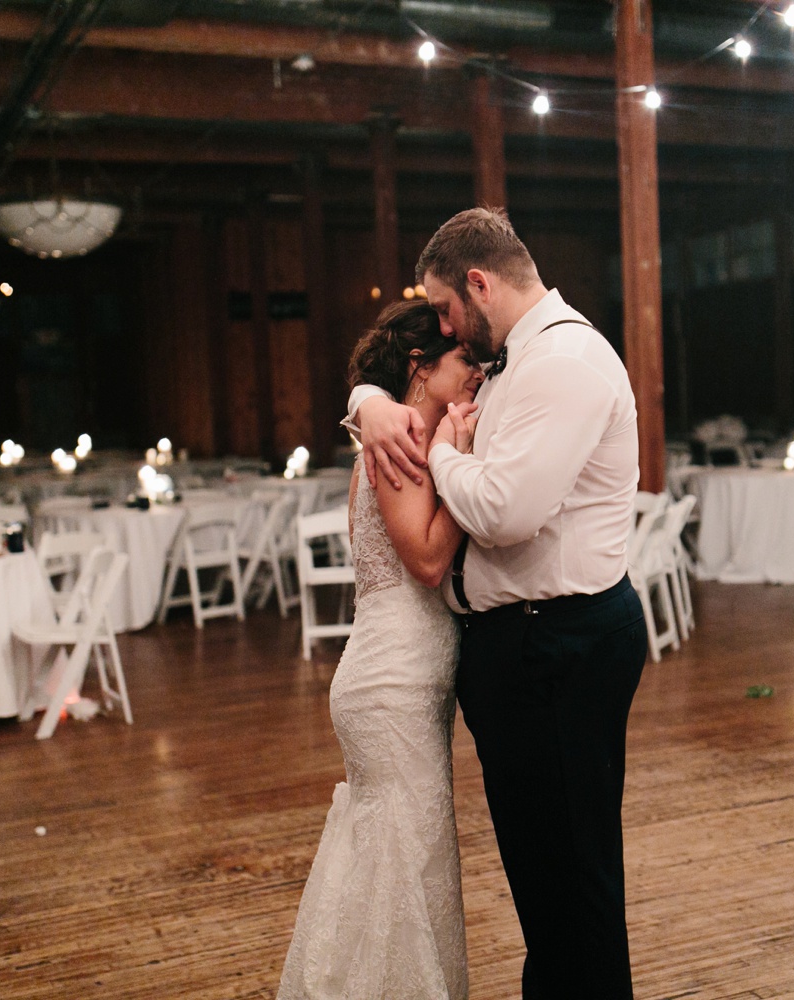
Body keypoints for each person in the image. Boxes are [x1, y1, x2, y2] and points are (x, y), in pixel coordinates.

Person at [348, 207, 647, 1000]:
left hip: (559, 643)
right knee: (545, 876)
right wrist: (370, 400)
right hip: (522, 646)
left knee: (572, 872)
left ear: (480, 284)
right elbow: (408, 384)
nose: (447, 326)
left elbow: (508, 512)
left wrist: (443, 452)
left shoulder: (566, 361)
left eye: (447, 307)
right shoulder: (517, 361)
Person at [278, 300, 483, 1000]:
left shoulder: (403, 434)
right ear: (421, 369)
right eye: (467, 364)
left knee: (402, 857)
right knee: (400, 857)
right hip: (391, 682)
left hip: (397, 673)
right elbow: (426, 562)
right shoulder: (402, 446)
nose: (477, 377)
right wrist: (461, 467)